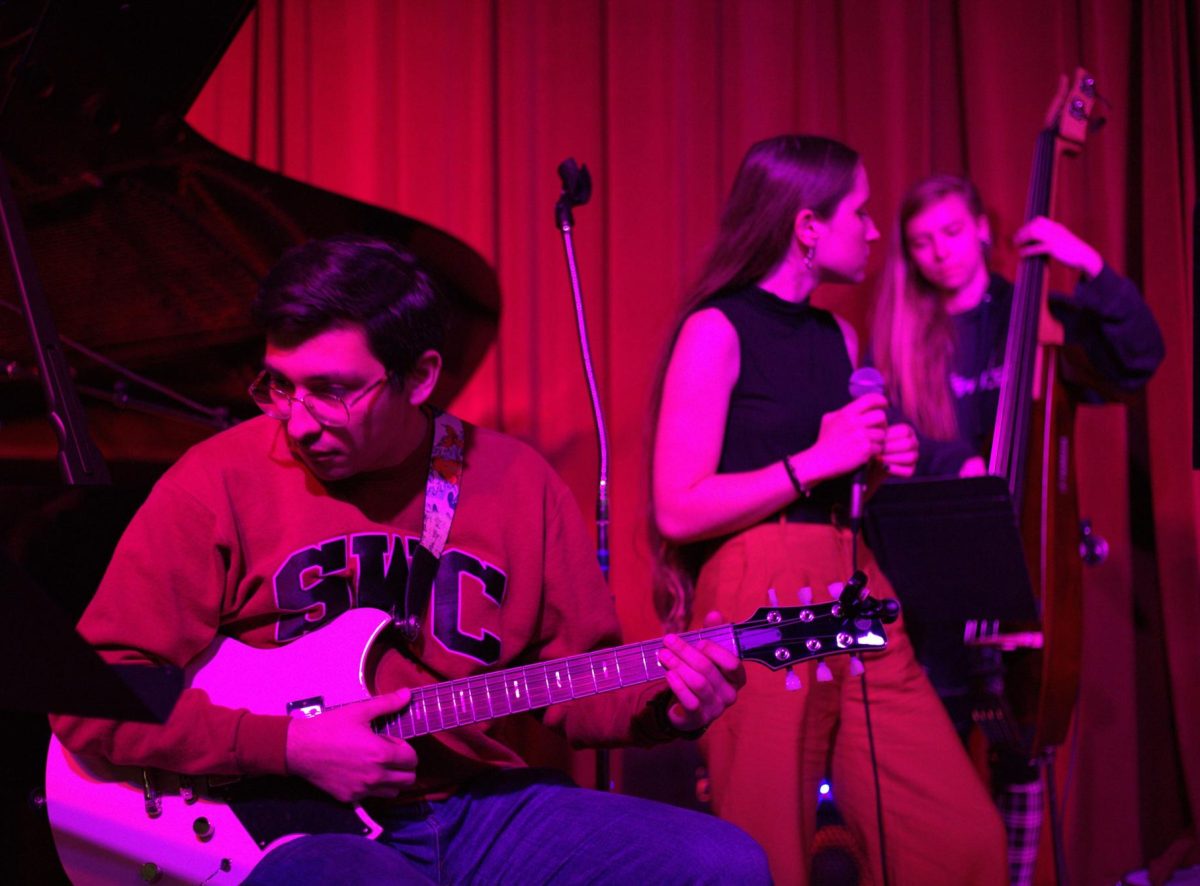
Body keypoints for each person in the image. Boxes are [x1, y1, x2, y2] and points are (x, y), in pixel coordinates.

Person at [49, 235, 770, 884]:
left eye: (331, 390)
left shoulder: (518, 483)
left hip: (476, 811)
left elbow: (577, 686)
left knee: (723, 864)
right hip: (287, 823)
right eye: (278, 384)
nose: (298, 421)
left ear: (420, 378)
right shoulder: (217, 480)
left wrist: (670, 702)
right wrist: (288, 745)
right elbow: (93, 694)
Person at [649, 136, 1008, 886]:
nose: (877, 232)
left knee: (961, 842)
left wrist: (875, 468)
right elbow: (677, 508)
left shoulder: (838, 336)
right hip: (758, 589)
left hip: (854, 581)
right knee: (766, 853)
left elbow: (833, 480)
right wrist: (817, 459)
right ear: (808, 227)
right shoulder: (716, 329)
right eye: (862, 213)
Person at [869, 174, 1165, 886]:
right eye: (920, 243)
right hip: (940, 563)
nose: (937, 252)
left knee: (1022, 746)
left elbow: (1138, 358)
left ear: (979, 227)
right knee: (937, 725)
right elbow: (890, 430)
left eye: (949, 232)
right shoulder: (906, 330)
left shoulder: (1031, 315)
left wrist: (1086, 264)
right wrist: (957, 460)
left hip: (1028, 552)